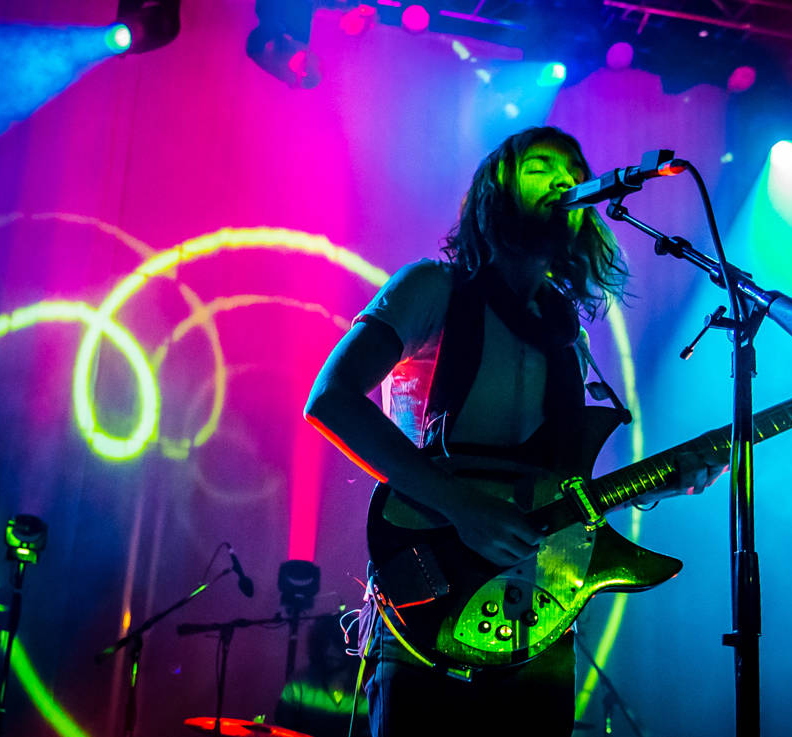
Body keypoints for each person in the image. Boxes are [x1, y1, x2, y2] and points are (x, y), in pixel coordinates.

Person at [304, 126, 724, 737]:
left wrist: (659, 483)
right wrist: (462, 506)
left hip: (539, 615)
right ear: (495, 190)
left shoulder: (566, 333)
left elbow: (556, 490)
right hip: (429, 599)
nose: (563, 179)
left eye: (573, 168)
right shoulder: (432, 289)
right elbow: (331, 399)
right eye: (541, 166)